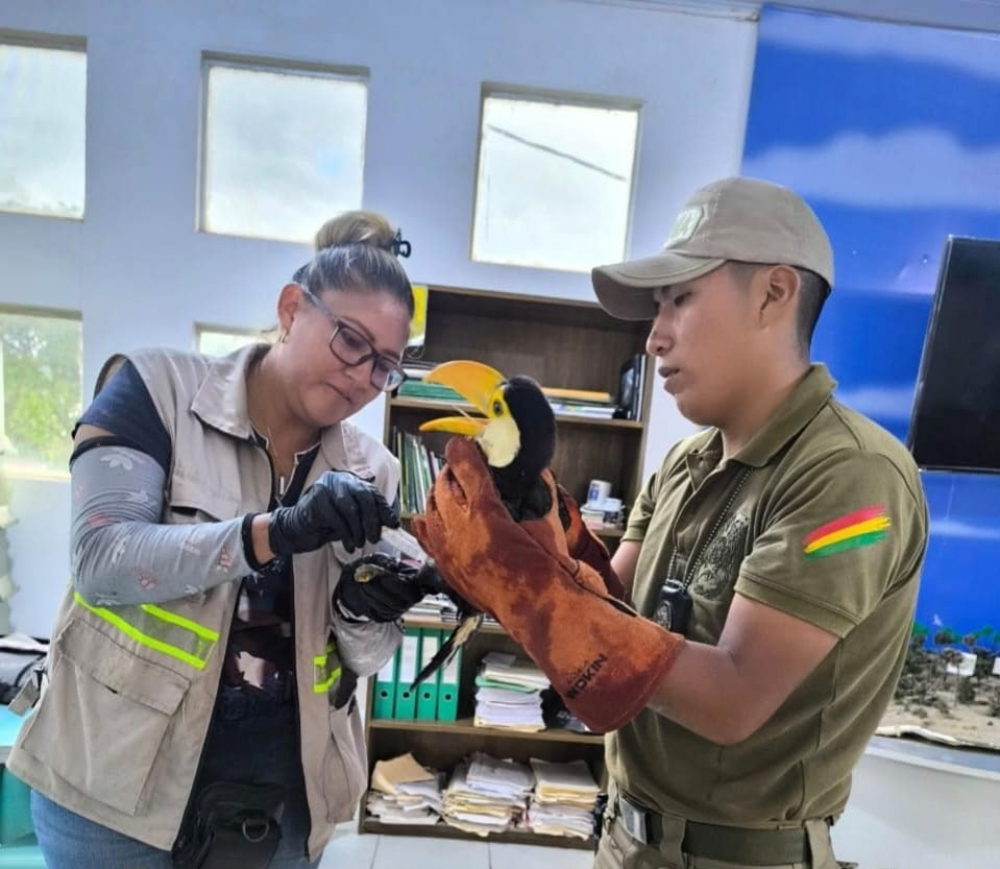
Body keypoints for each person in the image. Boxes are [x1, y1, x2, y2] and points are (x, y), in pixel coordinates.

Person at [414, 177, 929, 869]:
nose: (654, 337)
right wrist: (529, 520)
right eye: (657, 308)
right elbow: (608, 609)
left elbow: (732, 698)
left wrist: (531, 590)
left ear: (775, 293)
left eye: (680, 300)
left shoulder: (855, 478)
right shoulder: (684, 463)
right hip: (625, 838)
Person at [7, 211, 431, 869]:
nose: (360, 377)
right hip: (116, 792)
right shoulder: (157, 390)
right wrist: (273, 533)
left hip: (281, 804)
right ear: (292, 308)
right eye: (350, 341)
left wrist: (365, 606)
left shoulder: (372, 468)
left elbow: (365, 657)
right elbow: (101, 561)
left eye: (384, 367)